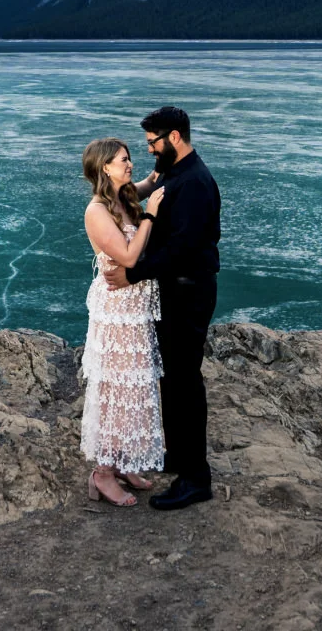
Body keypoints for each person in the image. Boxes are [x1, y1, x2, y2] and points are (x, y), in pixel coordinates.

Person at [106, 105, 220, 511]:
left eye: (153, 142)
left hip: (188, 293)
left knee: (185, 383)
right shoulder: (175, 172)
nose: (150, 150)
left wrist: (132, 275)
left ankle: (196, 478)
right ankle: (180, 456)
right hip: (174, 292)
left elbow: (181, 250)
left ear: (174, 137)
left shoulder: (194, 183)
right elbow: (140, 196)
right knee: (172, 379)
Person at [78, 137, 167, 507]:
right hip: (116, 311)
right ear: (105, 168)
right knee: (116, 391)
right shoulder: (97, 210)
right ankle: (102, 473)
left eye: (130, 158)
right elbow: (130, 257)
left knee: (136, 387)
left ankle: (126, 460)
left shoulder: (123, 196)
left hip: (135, 308)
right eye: (123, 160)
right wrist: (150, 215)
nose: (129, 165)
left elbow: (149, 182)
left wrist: (165, 164)